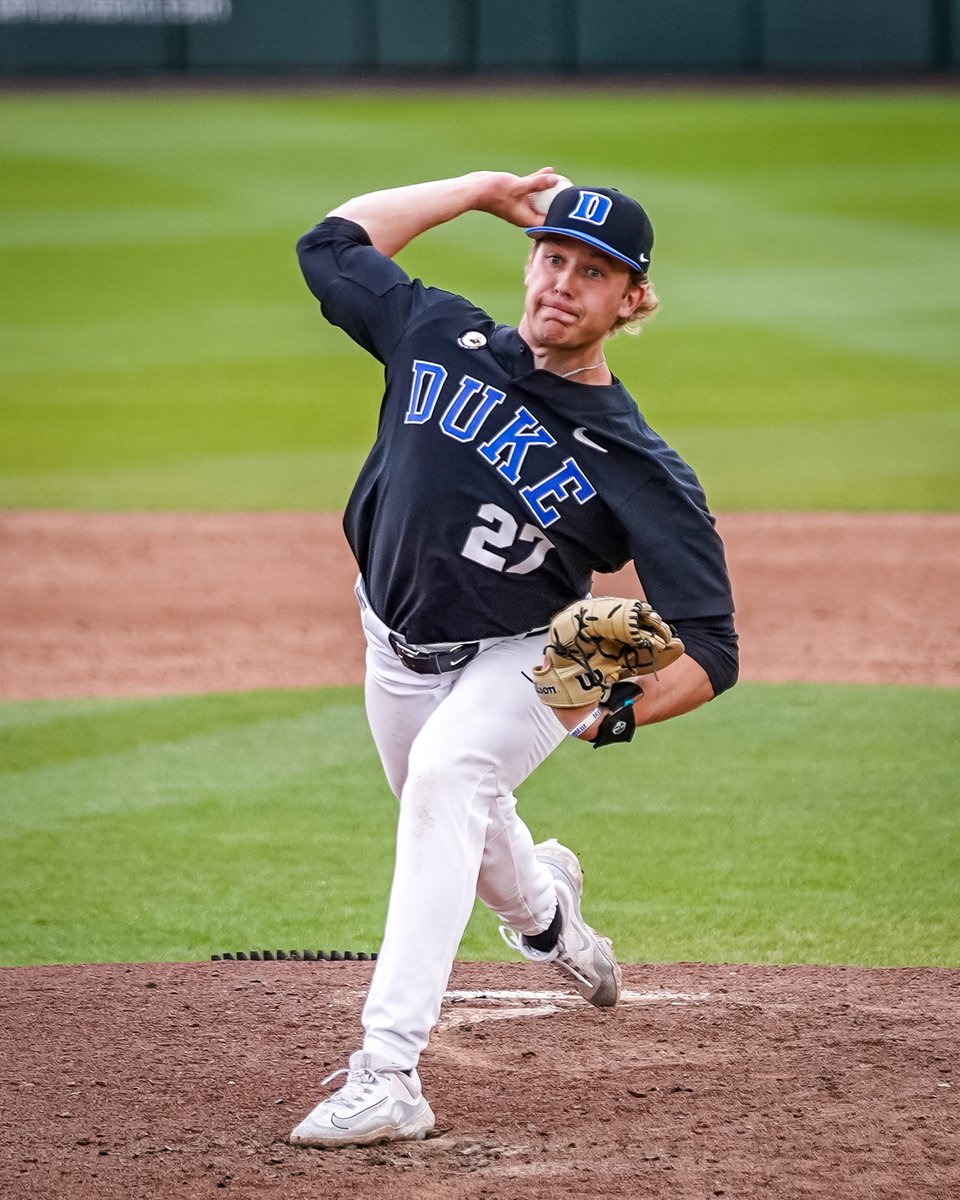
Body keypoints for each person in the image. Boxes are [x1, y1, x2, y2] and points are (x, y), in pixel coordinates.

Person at [289, 169, 738, 1148]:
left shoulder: (638, 461)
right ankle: (549, 919)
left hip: (536, 647)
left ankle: (388, 1072)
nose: (563, 283)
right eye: (552, 258)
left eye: (593, 273)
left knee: (450, 774)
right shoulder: (437, 332)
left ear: (633, 301)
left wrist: (610, 709)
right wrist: (478, 189)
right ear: (529, 264)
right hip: (394, 638)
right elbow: (329, 245)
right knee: (460, 808)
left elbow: (710, 640)